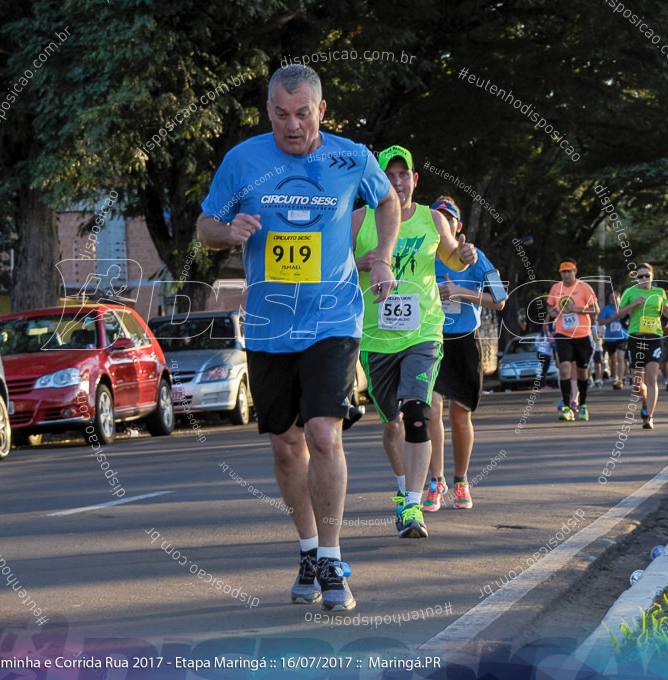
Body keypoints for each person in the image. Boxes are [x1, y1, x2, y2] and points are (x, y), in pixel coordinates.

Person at [196, 65, 401, 611]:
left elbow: (386, 201)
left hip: (333, 318)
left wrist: (381, 256)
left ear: (321, 110)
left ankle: (332, 560)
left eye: (303, 114)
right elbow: (206, 226)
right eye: (282, 115)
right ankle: (308, 550)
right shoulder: (243, 160)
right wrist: (228, 232)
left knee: (322, 435)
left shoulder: (351, 156)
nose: (293, 126)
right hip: (268, 325)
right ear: (269, 112)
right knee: (287, 446)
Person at [352, 146, 476, 539]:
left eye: (403, 174)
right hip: (376, 337)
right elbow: (329, 263)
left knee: (419, 412)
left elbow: (453, 258)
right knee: (393, 426)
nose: (397, 181)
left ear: (414, 179)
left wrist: (465, 255)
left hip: (423, 332)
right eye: (388, 175)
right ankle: (404, 485)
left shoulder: (433, 218)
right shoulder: (359, 219)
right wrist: (361, 264)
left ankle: (411, 506)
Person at [425, 196, 505, 512]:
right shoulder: (422, 253)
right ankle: (435, 481)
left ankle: (460, 481)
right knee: (430, 408)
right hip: (429, 340)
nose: (444, 222)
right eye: (438, 217)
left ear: (459, 227)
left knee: (460, 416)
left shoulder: (475, 257)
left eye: (450, 218)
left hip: (463, 341)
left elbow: (499, 299)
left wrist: (461, 292)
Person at [609, 263, 668, 429]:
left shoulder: (659, 292)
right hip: (635, 338)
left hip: (654, 337)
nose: (644, 279)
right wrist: (633, 304)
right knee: (637, 382)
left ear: (652, 277)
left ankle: (649, 416)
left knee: (651, 377)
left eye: (647, 276)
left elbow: (665, 310)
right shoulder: (630, 292)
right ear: (636, 278)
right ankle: (644, 400)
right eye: (640, 276)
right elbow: (619, 314)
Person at [547, 259, 599, 421]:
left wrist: (577, 309)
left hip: (582, 335)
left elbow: (595, 309)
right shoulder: (556, 288)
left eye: (569, 271)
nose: (566, 275)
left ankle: (583, 405)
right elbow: (550, 306)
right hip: (563, 334)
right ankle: (567, 407)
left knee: (582, 373)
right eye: (563, 272)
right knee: (564, 369)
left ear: (575, 272)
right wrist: (553, 312)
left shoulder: (584, 288)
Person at [598, 289, 629, 390]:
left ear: (619, 298)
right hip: (610, 338)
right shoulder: (606, 309)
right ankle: (614, 378)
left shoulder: (624, 308)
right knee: (613, 359)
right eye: (611, 298)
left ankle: (620, 380)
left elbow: (631, 320)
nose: (613, 300)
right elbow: (600, 322)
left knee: (620, 358)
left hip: (622, 337)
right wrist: (612, 318)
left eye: (615, 297)